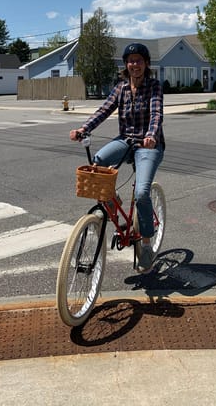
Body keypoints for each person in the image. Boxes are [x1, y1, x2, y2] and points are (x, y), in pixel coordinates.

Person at [70, 42, 164, 273]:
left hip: (148, 145)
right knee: (98, 163)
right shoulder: (121, 88)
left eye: (139, 60)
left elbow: (156, 114)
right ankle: (114, 202)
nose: (135, 65)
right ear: (125, 64)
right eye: (130, 61)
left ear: (146, 64)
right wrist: (84, 129)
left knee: (142, 192)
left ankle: (146, 245)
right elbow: (103, 110)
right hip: (126, 140)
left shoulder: (154, 86)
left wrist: (151, 136)